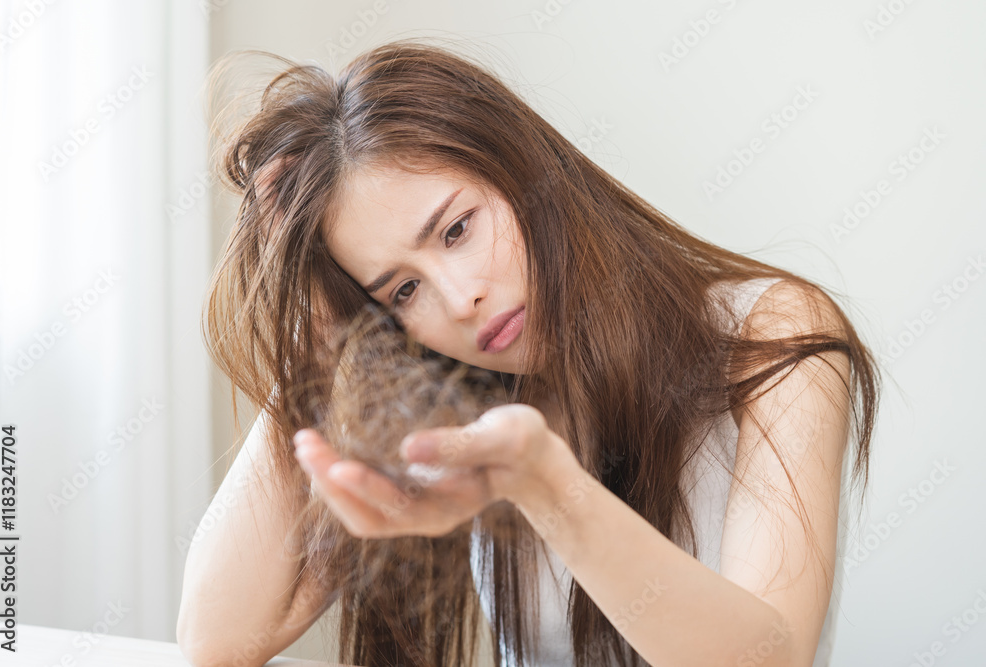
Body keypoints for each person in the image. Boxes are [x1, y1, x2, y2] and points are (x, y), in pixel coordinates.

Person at [177, 38, 881, 667]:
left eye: (456, 230)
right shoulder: (443, 389)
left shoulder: (771, 331)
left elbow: (768, 657)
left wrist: (548, 487)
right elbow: (216, 640)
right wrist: (320, 336)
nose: (458, 300)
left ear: (526, 172)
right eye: (402, 291)